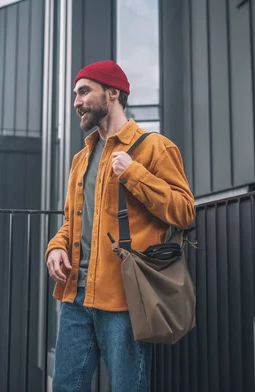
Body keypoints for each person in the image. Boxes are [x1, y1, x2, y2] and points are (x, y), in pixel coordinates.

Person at [45, 60, 195, 391]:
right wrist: (55, 246)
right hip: (75, 296)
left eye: (84, 91)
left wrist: (133, 173)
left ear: (112, 93)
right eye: (75, 94)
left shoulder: (155, 147)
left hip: (125, 298)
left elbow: (184, 211)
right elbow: (72, 221)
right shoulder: (80, 159)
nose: (76, 102)